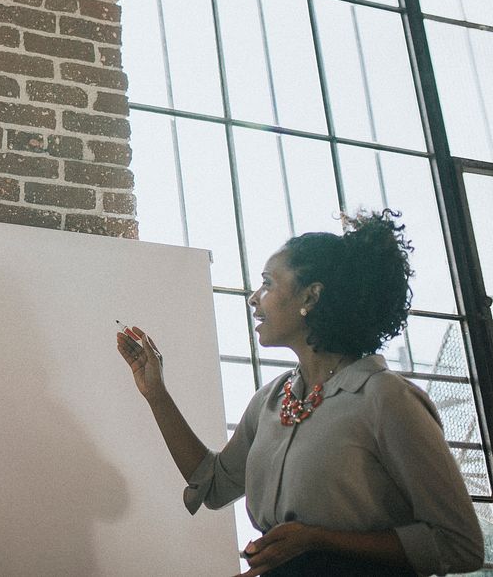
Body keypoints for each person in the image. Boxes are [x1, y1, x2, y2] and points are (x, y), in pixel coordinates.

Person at [116, 209, 483, 577]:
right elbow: (212, 485)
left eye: (268, 284)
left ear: (311, 296)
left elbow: (460, 544)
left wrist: (317, 540)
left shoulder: (385, 397)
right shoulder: (270, 401)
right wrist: (156, 393)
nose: (253, 298)